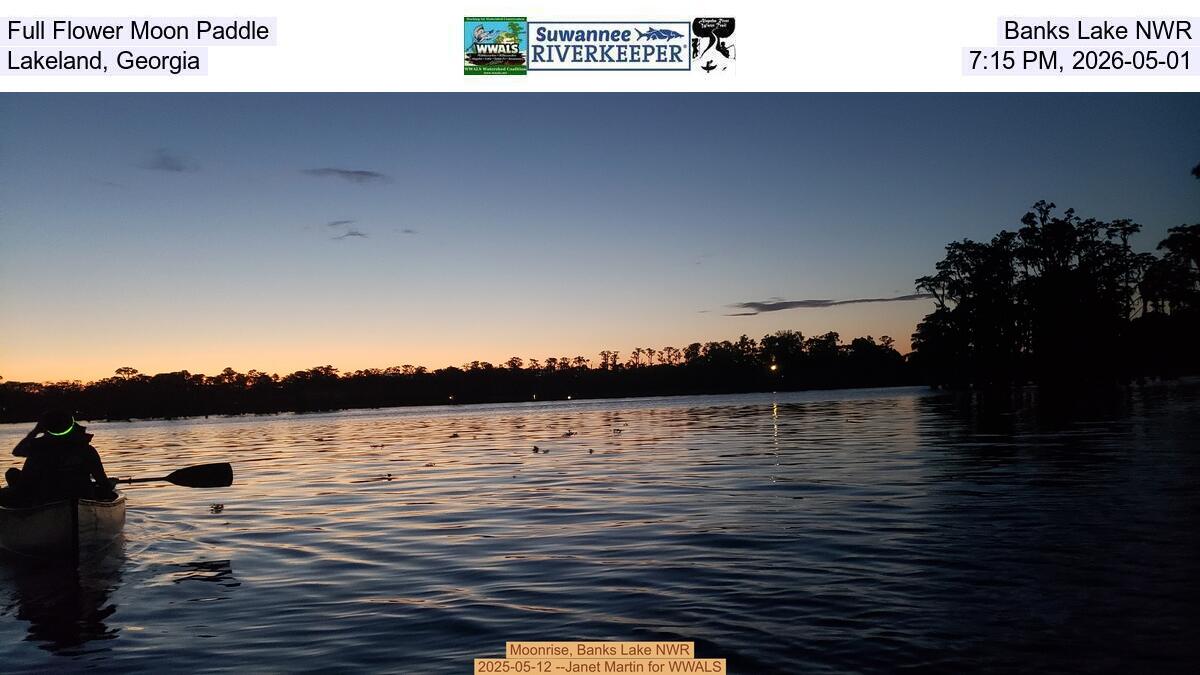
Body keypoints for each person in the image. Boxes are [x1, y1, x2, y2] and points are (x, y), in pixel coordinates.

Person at [3, 409, 114, 505]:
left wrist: (35, 431)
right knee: (12, 474)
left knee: (12, 475)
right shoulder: (86, 450)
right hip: (78, 494)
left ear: (45, 428)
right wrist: (108, 486)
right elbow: (103, 482)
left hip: (45, 498)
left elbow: (17, 452)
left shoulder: (38, 451)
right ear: (71, 425)